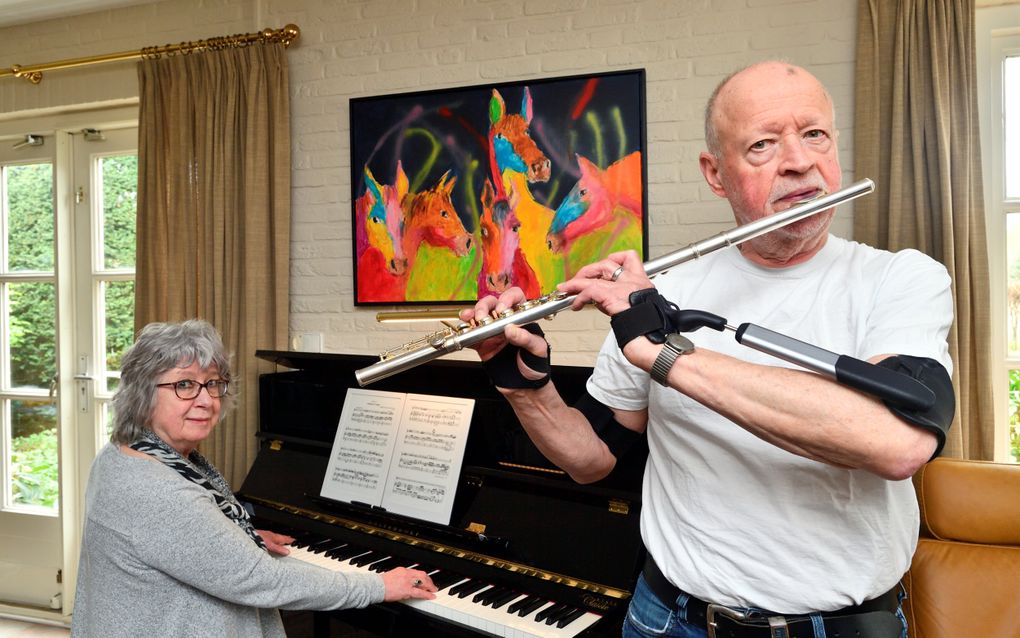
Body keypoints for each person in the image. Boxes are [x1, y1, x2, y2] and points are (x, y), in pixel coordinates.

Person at [462, 61, 954, 638]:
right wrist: (523, 384)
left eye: (814, 134)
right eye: (763, 145)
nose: (799, 161)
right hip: (670, 620)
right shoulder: (661, 293)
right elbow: (593, 459)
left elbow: (894, 443)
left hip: (839, 627)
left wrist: (665, 355)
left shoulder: (901, 279)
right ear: (715, 173)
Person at [70, 319, 437, 637]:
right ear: (142, 394)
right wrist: (379, 584)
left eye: (213, 383)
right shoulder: (157, 491)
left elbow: (178, 538)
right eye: (184, 385)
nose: (206, 400)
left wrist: (230, 537)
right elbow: (266, 580)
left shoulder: (125, 452)